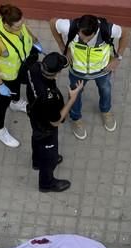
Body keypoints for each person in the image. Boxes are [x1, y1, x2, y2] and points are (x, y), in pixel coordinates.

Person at [49, 14, 130, 140]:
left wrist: (118, 58)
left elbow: (125, 33)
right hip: (77, 71)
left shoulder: (107, 30)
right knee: (75, 94)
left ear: (96, 30)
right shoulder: (69, 27)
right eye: (82, 36)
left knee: (105, 90)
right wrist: (63, 47)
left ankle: (106, 111)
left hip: (102, 70)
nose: (84, 41)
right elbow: (52, 22)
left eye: (88, 38)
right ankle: (76, 119)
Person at [26, 52, 83, 193]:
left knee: (36, 136)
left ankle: (37, 161)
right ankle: (46, 183)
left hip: (34, 114)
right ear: (57, 73)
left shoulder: (34, 68)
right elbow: (56, 121)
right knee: (50, 157)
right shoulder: (51, 97)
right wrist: (72, 99)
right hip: (46, 127)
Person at [0, 4, 42, 148]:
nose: (21, 26)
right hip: (7, 75)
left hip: (20, 67)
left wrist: (35, 41)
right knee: (2, 101)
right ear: (6, 25)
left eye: (22, 22)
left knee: (17, 86)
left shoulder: (18, 24)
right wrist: (0, 84)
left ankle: (16, 103)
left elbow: (25, 29)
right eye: (17, 26)